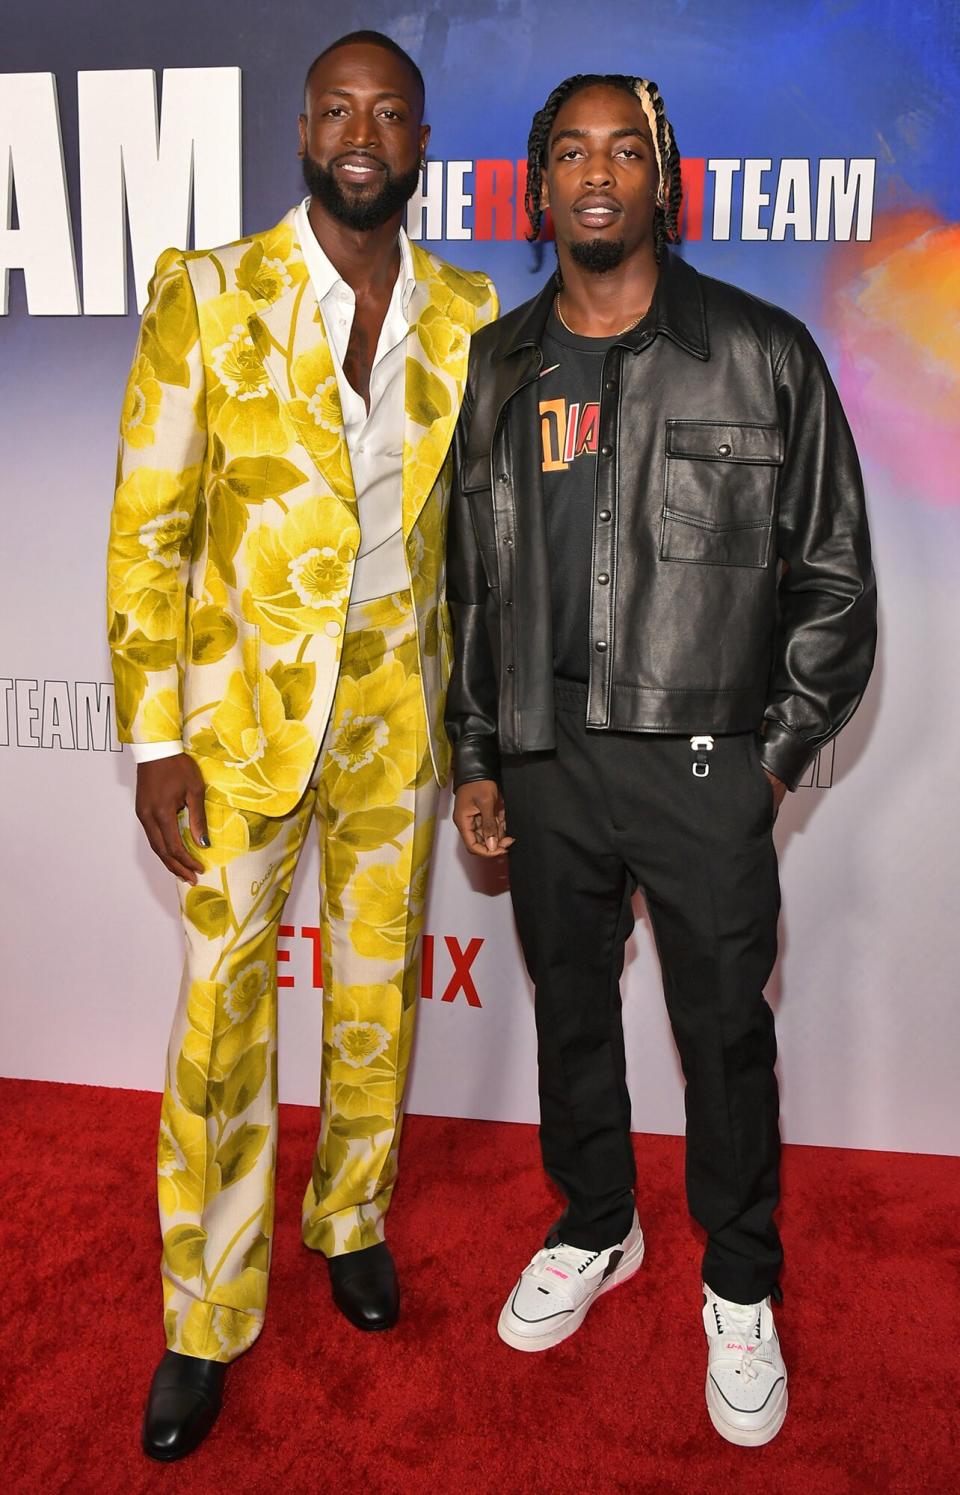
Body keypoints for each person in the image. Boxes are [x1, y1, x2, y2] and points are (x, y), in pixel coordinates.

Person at [446, 71, 875, 1448]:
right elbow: (470, 581)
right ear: (534, 184)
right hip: (543, 759)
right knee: (571, 1019)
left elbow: (837, 589)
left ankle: (741, 1282)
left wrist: (768, 761)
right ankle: (596, 1224)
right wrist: (476, 755)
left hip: (705, 764)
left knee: (724, 1039)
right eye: (566, 151)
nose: (594, 174)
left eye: (623, 151)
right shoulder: (498, 365)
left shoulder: (764, 353)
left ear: (662, 179)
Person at [107, 29, 497, 1462]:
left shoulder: (466, 308)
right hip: (237, 720)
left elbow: (476, 544)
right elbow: (150, 526)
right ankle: (202, 1315)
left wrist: (478, 737)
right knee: (220, 1016)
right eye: (337, 108)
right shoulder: (208, 294)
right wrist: (158, 735)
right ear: (301, 132)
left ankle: (348, 1217)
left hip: (400, 703)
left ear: (419, 143)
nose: (361, 133)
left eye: (390, 114)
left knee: (376, 989)